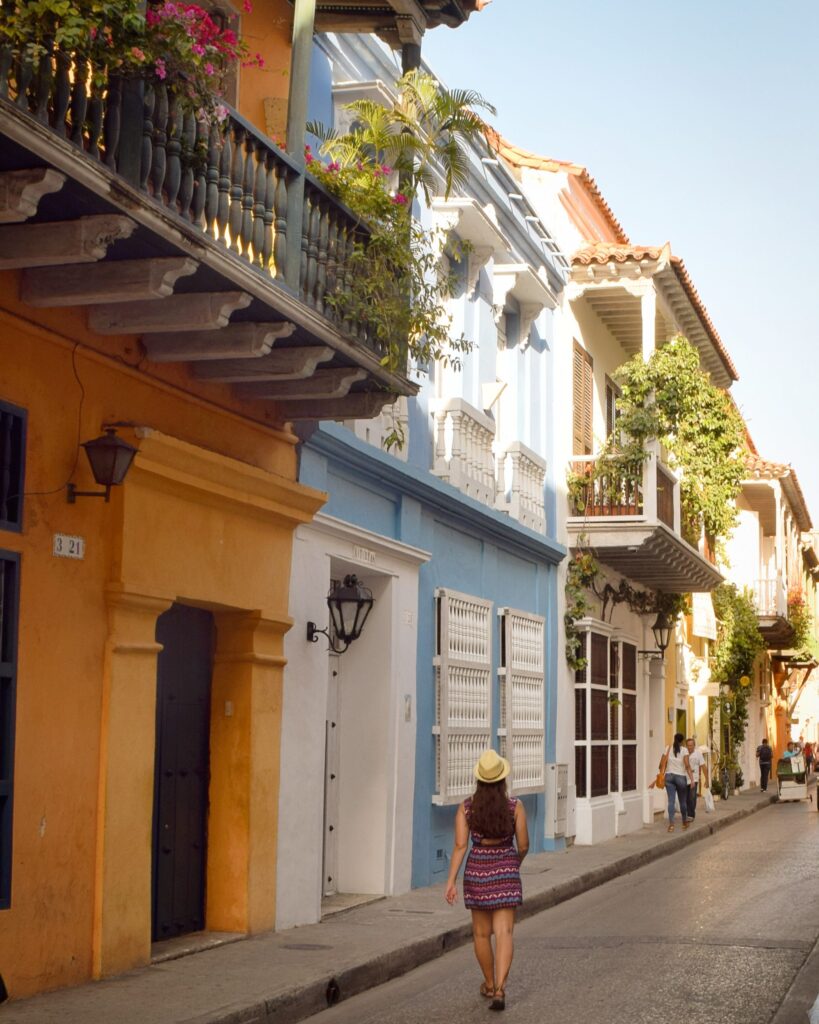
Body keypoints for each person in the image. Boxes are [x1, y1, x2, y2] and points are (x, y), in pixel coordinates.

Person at [445, 749, 529, 1012]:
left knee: (481, 934)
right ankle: (501, 990)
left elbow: (460, 846)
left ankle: (490, 983)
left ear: (479, 780)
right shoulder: (515, 806)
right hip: (505, 869)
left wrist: (451, 882)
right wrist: (514, 862)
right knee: (504, 933)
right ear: (502, 779)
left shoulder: (466, 808)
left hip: (477, 872)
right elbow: (524, 845)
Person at [657, 732, 693, 832]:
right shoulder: (684, 750)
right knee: (682, 801)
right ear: (682, 741)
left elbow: (661, 764)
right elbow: (687, 765)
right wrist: (692, 779)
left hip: (669, 777)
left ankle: (671, 825)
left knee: (671, 801)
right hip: (681, 777)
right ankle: (684, 822)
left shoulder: (668, 748)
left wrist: (662, 772)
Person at [685, 738, 709, 820]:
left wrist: (707, 779)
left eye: (691, 745)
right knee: (686, 797)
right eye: (688, 745)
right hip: (684, 778)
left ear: (694, 746)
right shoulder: (684, 753)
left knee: (692, 796)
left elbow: (703, 767)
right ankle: (688, 813)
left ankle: (691, 815)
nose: (689, 747)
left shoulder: (698, 754)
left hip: (694, 779)